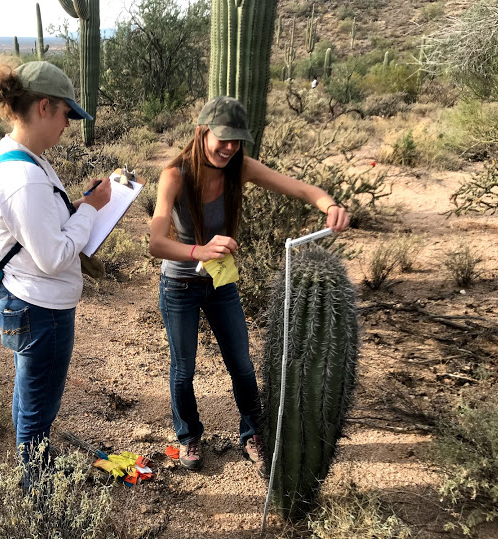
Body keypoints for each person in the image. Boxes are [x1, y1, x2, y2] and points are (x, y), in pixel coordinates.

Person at [149, 96, 350, 476]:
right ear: (201, 132)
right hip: (180, 285)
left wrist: (328, 204)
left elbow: (299, 188)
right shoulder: (174, 175)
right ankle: (189, 435)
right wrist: (200, 250)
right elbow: (156, 241)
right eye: (222, 139)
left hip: (221, 284)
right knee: (183, 369)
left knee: (241, 364)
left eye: (237, 141)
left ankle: (253, 433)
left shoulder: (239, 167)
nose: (229, 148)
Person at [0, 57, 111, 480]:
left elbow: (37, 230)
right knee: (39, 411)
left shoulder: (12, 154)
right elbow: (54, 256)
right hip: (41, 309)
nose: (69, 124)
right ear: (43, 107)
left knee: (28, 393)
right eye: (66, 113)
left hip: (23, 297)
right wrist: (89, 210)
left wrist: (76, 209)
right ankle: (37, 501)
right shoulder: (25, 175)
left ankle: (33, 473)